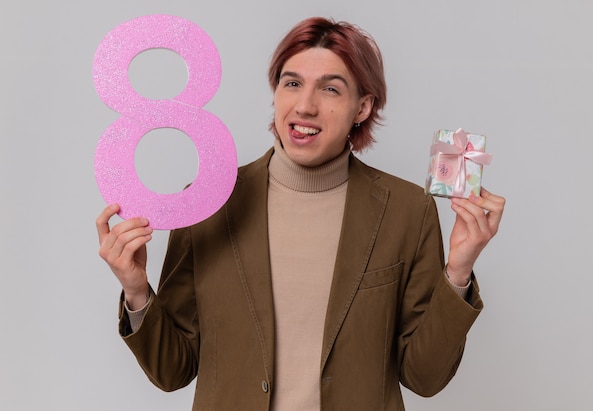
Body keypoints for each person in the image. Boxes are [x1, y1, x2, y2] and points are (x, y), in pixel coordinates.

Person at [96, 17, 505, 411]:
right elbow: (173, 370)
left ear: (362, 107)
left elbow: (425, 378)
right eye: (292, 83)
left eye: (330, 89)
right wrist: (136, 291)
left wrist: (458, 273)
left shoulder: (407, 210)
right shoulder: (208, 202)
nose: (305, 105)